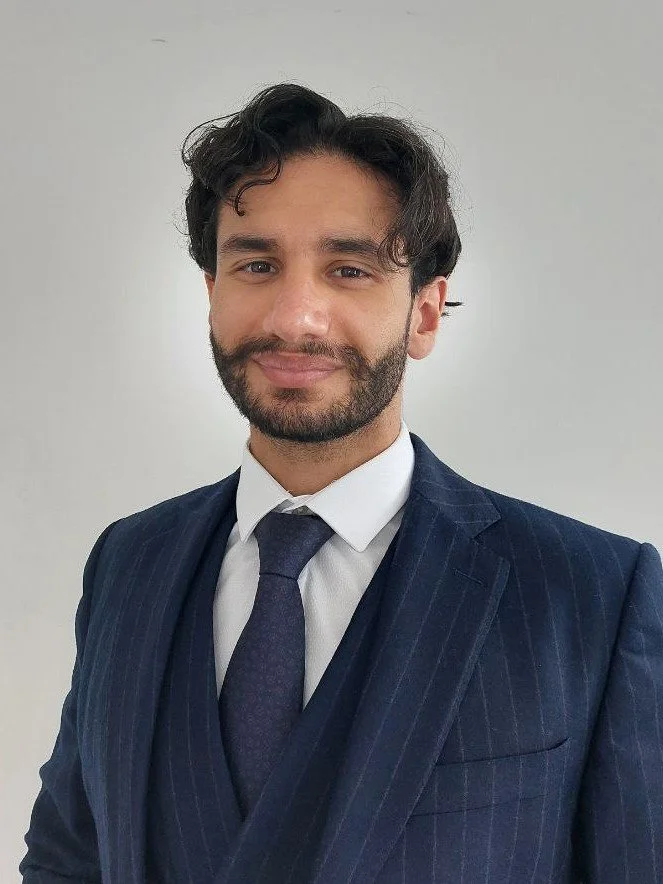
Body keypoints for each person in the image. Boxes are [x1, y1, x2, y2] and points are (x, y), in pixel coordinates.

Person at [20, 82, 663, 884]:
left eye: (349, 268)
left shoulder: (592, 593)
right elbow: (67, 859)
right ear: (211, 296)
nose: (296, 317)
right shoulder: (127, 562)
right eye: (256, 263)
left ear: (424, 316)